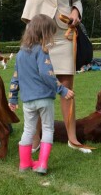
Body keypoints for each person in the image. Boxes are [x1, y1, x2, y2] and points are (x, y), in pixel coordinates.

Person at [0, 0, 90, 153]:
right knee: (36, 86)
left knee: (67, 87)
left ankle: (72, 138)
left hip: (63, 32)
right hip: (36, 32)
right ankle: (36, 139)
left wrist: (76, 13)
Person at [8, 14, 75, 174]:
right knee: (47, 129)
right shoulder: (41, 51)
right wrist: (63, 90)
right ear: (44, 34)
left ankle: (24, 164)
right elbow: (47, 74)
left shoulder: (20, 54)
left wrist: (13, 97)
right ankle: (42, 165)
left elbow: (15, 78)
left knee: (28, 130)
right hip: (44, 99)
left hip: (28, 101)